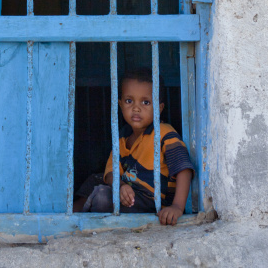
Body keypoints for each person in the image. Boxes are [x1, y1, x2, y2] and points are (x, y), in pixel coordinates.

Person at [80, 68, 194, 225]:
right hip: (129, 193)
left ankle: (80, 222)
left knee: (102, 196)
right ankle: (70, 218)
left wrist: (177, 206)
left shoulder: (164, 133)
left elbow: (184, 169)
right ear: (120, 104)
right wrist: (120, 186)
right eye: (129, 101)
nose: (136, 108)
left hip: (151, 201)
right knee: (95, 180)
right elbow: (111, 172)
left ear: (159, 108)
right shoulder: (122, 136)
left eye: (145, 102)